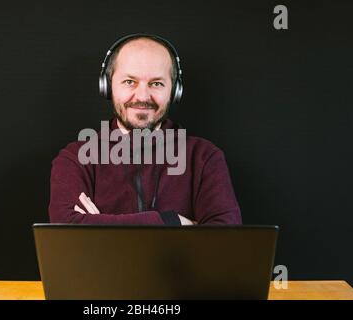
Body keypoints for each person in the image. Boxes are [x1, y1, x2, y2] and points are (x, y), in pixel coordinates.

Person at [48, 33, 242, 225]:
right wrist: (172, 221)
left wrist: (97, 224)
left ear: (174, 91)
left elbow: (225, 240)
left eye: (156, 83)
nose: (142, 96)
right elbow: (66, 228)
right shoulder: (76, 158)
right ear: (107, 86)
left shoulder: (204, 157)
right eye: (129, 82)